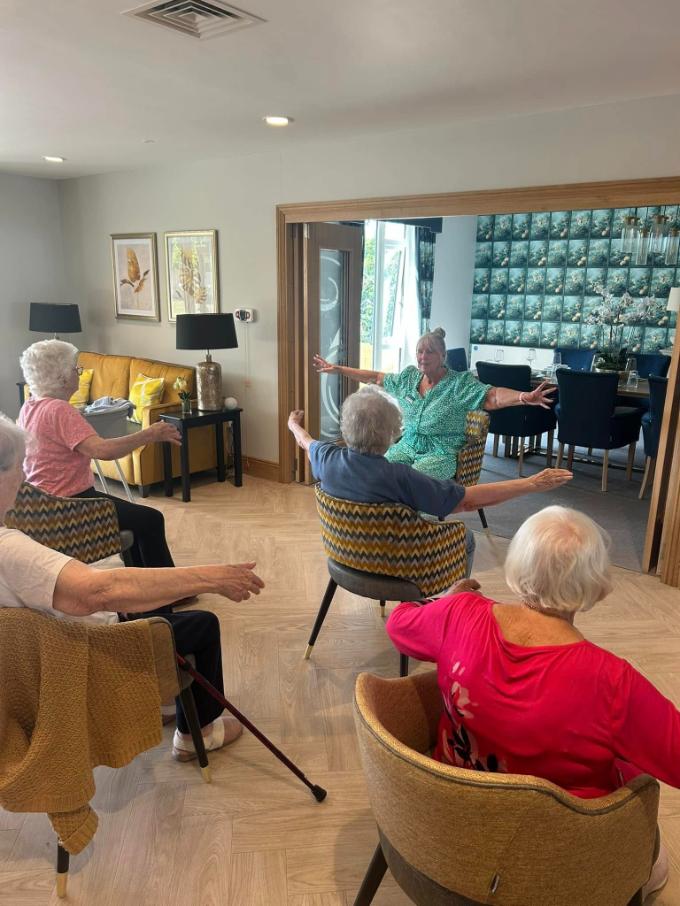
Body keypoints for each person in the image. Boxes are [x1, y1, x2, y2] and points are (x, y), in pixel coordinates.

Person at [386, 506, 677, 900]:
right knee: (634, 774)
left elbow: (398, 623)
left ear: (517, 562)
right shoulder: (611, 682)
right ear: (595, 584)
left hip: (455, 809)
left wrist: (446, 599)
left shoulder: (460, 612)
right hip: (552, 847)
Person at [0, 413, 264, 761]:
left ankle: (167, 702)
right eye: (18, 467)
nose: (24, 477)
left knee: (149, 598)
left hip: (49, 650)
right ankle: (196, 734)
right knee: (202, 625)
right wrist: (213, 577)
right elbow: (99, 592)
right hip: (88, 649)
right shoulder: (8, 549)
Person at [288, 386, 571, 571]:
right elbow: (468, 501)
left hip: (345, 558)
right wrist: (531, 483)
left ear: (345, 428)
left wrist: (292, 424)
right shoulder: (400, 477)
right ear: (391, 434)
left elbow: (305, 441)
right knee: (465, 538)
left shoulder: (326, 457)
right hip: (397, 564)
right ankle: (449, 605)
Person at [19, 339, 181, 573]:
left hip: (42, 505)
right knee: (151, 519)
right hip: (70, 506)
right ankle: (164, 587)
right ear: (62, 377)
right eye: (75, 368)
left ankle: (141, 582)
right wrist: (150, 434)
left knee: (138, 520)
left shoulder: (30, 406)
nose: (78, 373)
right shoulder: (60, 410)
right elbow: (102, 451)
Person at [313, 327, 554, 480]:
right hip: (407, 444)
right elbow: (376, 377)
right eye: (420, 351)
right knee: (380, 471)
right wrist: (339, 369)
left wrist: (523, 397)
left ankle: (416, 529)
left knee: (416, 481)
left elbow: (492, 397)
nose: (423, 357)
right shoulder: (409, 378)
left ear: (442, 356)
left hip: (441, 450)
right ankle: (388, 523)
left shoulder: (459, 384)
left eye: (429, 352)